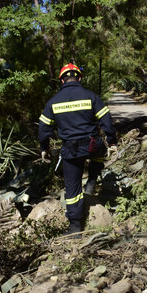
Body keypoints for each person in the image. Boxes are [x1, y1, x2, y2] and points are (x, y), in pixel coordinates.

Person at [39, 63, 118, 234]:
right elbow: (107, 120)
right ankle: (91, 181)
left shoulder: (53, 102)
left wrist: (44, 148)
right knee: (99, 152)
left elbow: (43, 128)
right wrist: (112, 143)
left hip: (70, 150)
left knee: (72, 188)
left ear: (62, 80)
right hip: (92, 145)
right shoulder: (91, 96)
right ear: (79, 78)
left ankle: (75, 228)